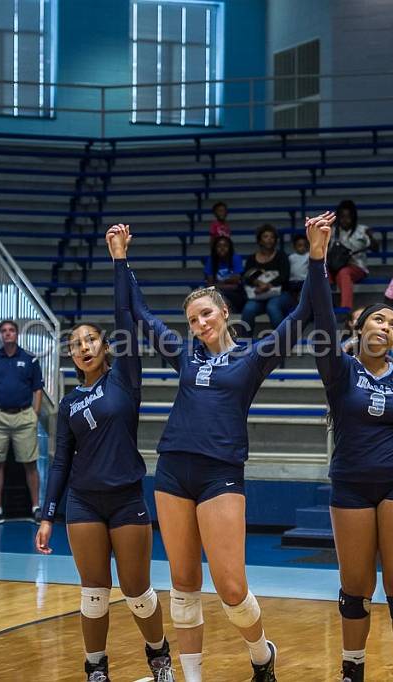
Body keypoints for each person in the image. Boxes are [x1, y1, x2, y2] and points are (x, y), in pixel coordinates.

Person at [121, 220, 315, 682]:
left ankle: (262, 655)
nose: (200, 323)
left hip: (220, 475)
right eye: (192, 319)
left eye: (206, 313)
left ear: (224, 311)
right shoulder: (185, 355)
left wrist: (320, 259)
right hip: (171, 471)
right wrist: (120, 259)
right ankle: (192, 678)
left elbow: (303, 314)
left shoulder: (254, 355)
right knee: (183, 585)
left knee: (230, 588)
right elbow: (140, 314)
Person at [36, 225, 174, 682]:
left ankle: (159, 657)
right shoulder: (70, 403)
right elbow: (60, 462)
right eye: (76, 346)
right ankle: (96, 668)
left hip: (126, 497)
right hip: (83, 502)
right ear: (72, 357)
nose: (83, 348)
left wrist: (119, 259)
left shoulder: (125, 379)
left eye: (90, 340)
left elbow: (124, 314)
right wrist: (46, 515)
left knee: (136, 590)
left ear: (105, 346)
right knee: (93, 591)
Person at [308, 211, 393, 682]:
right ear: (360, 328)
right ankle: (352, 670)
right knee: (355, 589)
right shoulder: (338, 370)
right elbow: (321, 313)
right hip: (352, 487)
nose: (386, 326)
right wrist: (319, 258)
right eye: (378, 319)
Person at [0, 319, 44, 525]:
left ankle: (36, 507)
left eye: (11, 331)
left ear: (17, 334)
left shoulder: (30, 360)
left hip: (24, 416)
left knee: (30, 463)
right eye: (4, 331)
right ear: (0, 335)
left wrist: (35, 413)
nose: (8, 334)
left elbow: (37, 389)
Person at [241, 223, 294, 336]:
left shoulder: (281, 256)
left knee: (272, 306)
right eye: (266, 236)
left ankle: (284, 341)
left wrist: (268, 285)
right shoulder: (251, 259)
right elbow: (246, 277)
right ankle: (245, 344)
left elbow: (284, 276)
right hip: (259, 295)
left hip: (280, 294)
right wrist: (258, 283)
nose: (269, 239)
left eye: (272, 237)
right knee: (248, 309)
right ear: (259, 240)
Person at [328, 199, 377, 312]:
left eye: (348, 217)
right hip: (335, 266)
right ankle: (327, 303)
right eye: (342, 217)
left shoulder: (362, 230)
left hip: (356, 267)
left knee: (343, 273)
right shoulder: (333, 231)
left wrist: (371, 237)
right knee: (321, 271)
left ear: (353, 217)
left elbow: (375, 249)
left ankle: (345, 309)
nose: (345, 220)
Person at [204, 235, 246, 313]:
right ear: (215, 249)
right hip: (217, 294)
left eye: (225, 246)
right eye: (219, 246)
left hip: (236, 295)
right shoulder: (211, 260)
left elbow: (236, 281)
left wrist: (218, 284)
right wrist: (228, 283)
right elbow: (210, 285)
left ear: (230, 248)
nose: (222, 248)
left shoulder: (235, 258)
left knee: (219, 297)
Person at [287, 233, 309, 299]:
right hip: (293, 281)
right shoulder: (291, 257)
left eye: (305, 245)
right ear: (294, 247)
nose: (302, 248)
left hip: (304, 281)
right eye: (299, 245)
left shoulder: (308, 256)